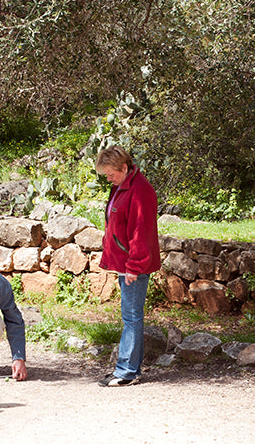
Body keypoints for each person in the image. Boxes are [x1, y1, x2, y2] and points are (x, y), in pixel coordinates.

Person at [95, 145, 160, 387]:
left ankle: (127, 372)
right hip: (124, 262)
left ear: (124, 167)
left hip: (133, 265)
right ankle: (128, 369)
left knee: (132, 317)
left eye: (111, 174)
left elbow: (140, 231)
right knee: (129, 316)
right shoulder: (122, 186)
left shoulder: (140, 190)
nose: (108, 179)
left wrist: (134, 266)